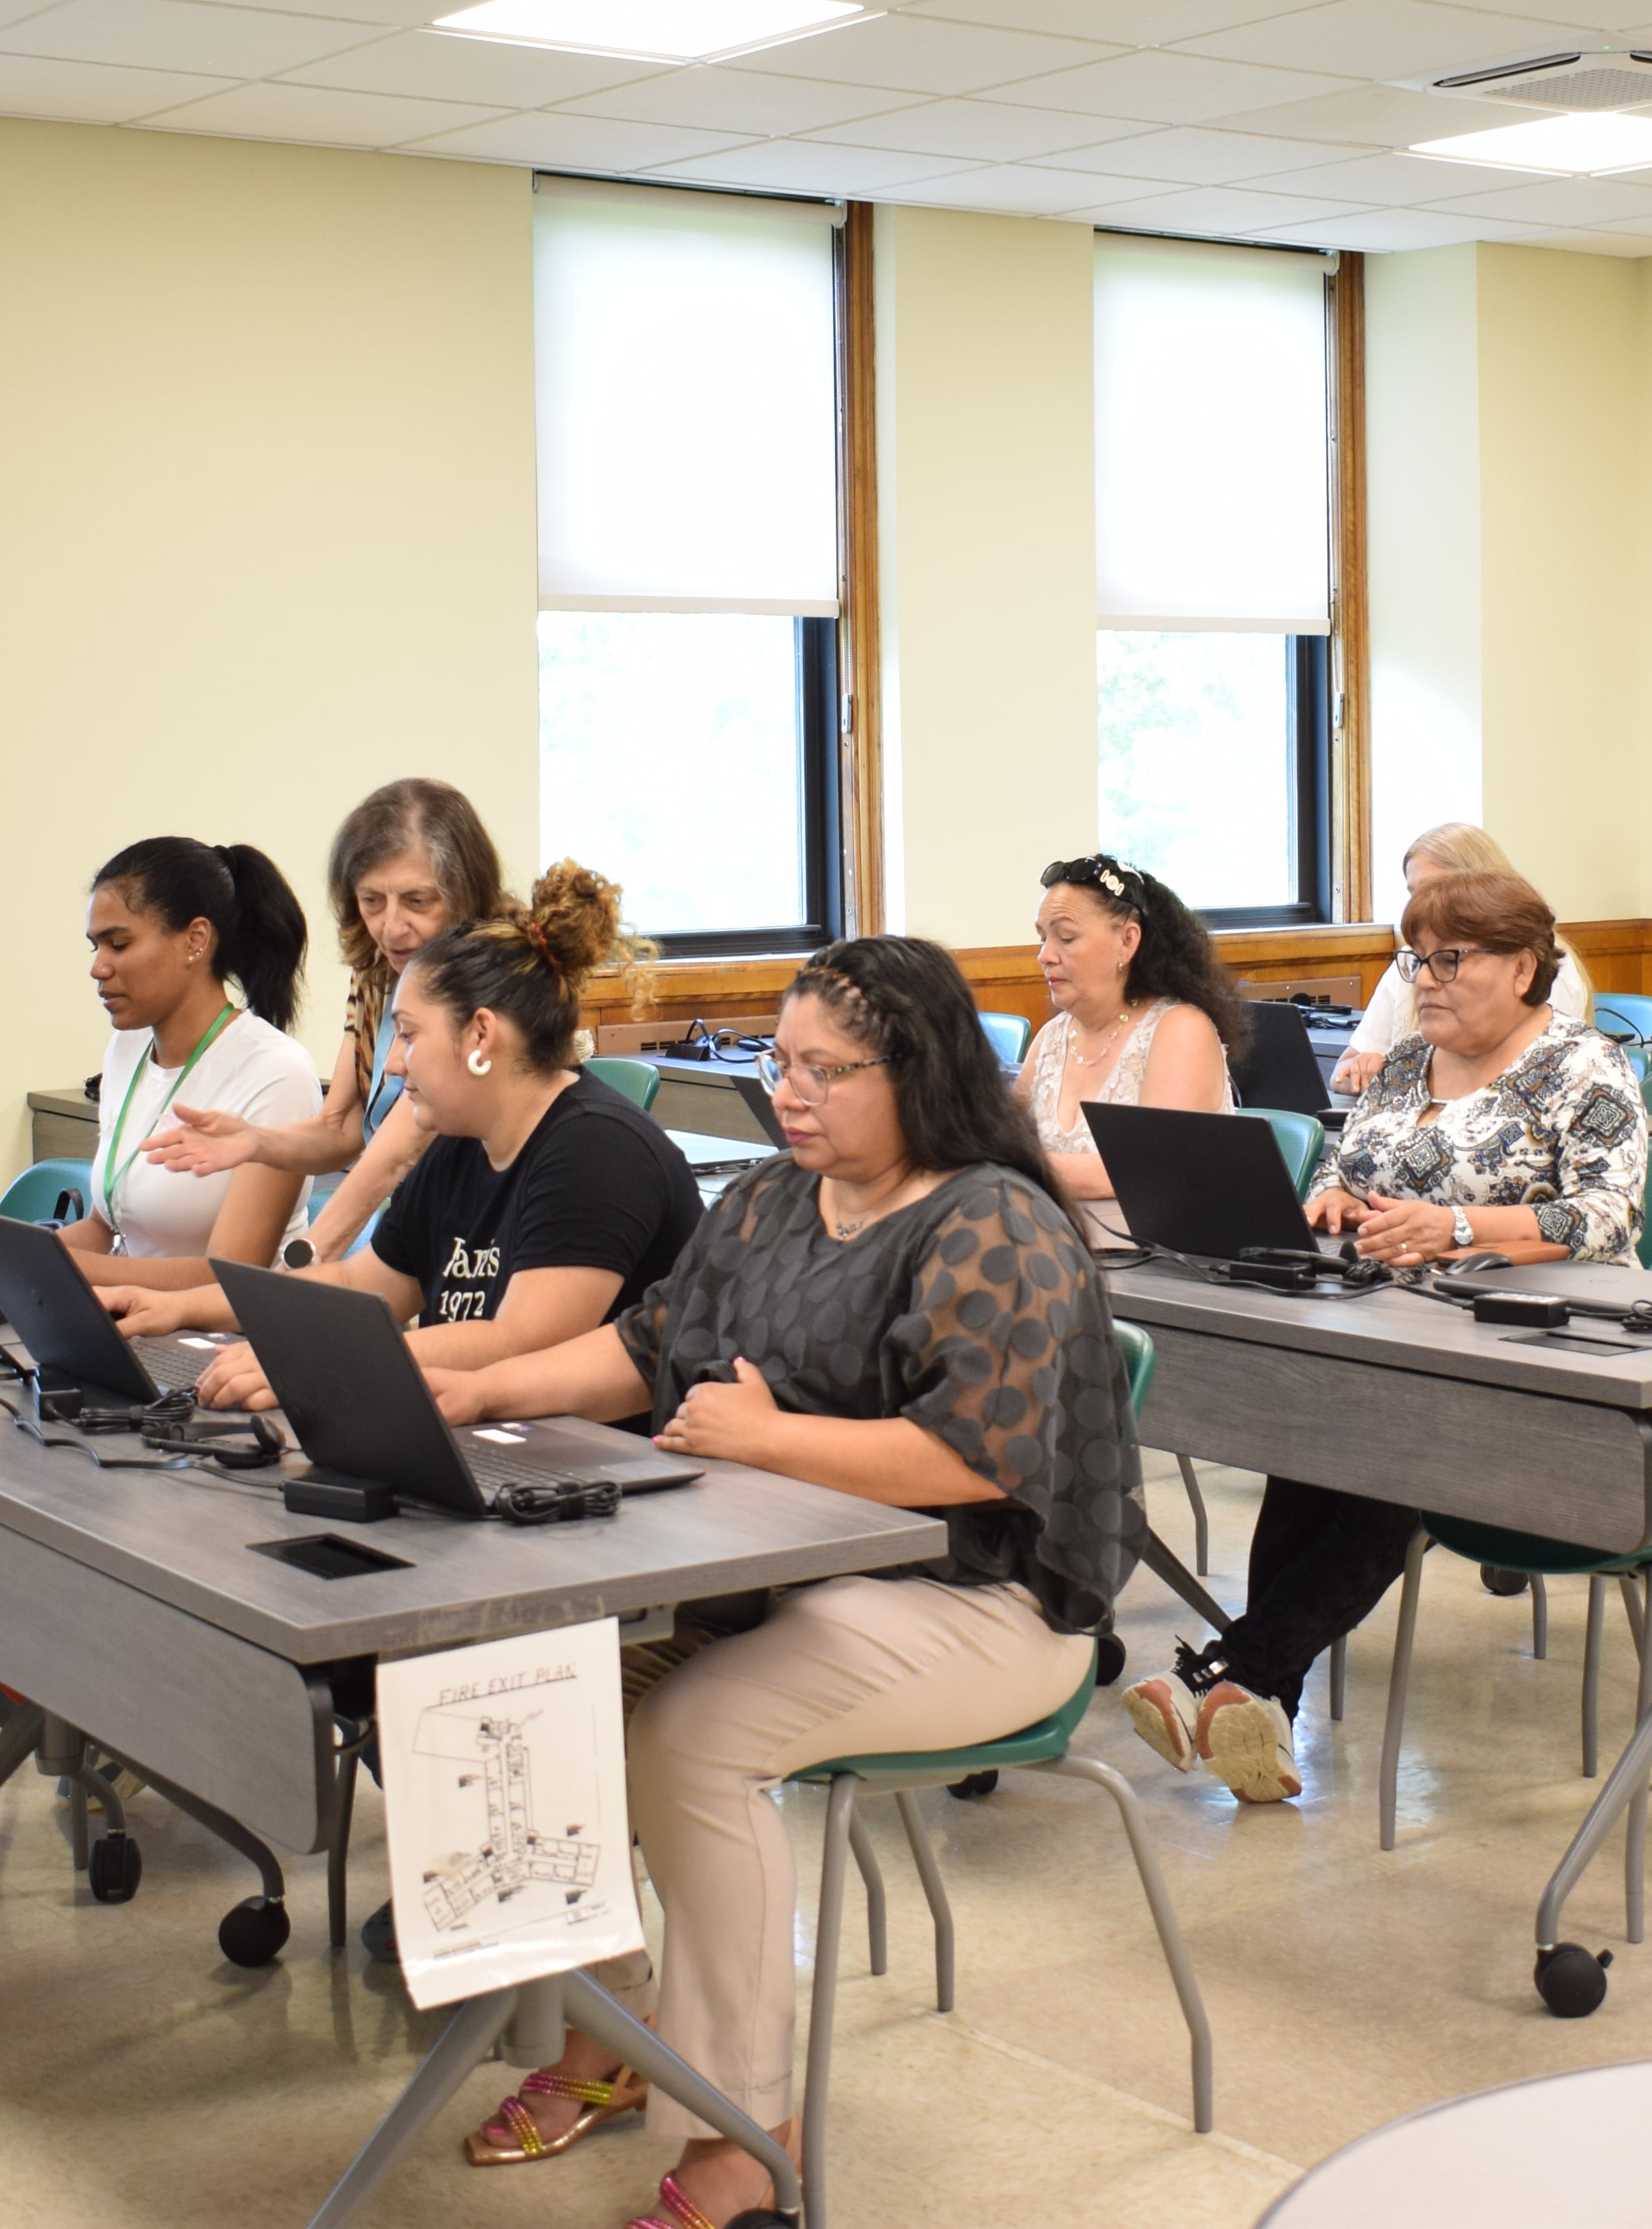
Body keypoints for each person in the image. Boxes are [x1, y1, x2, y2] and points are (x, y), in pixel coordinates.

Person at [418, 936, 1136, 2229]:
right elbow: (642, 1353)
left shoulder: (996, 1222)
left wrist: (763, 1439)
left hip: (984, 1608)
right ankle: (613, 2030)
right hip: (784, 1587)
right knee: (508, 1692)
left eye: (825, 1071)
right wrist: (472, 1387)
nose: (788, 1093)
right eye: (779, 1063)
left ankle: (746, 2142)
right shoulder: (764, 1201)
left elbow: (974, 1461)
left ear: (914, 1075)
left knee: (692, 1740)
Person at [1120, 866, 1644, 1803]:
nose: (1424, 981)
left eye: (1450, 959)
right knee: (1314, 1441)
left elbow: (1608, 1215)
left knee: (1397, 1462)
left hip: (1546, 1359)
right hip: (1399, 1333)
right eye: (1415, 960)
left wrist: (1457, 1229)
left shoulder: (1585, 1065)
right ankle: (1256, 1695)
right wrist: (1330, 1197)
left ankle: (1233, 1675)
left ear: (1524, 966)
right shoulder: (1405, 1064)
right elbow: (1343, 1161)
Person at [119, 861, 692, 1379]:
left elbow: (521, 1343)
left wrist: (301, 1359)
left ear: (481, 1035)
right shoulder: (462, 1142)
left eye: (410, 1035)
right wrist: (179, 1307)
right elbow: (358, 1285)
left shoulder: (597, 1150)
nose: (393, 1062)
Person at [0, 837, 321, 1292]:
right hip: (131, 1324)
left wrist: (29, 1262)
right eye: (96, 947)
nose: (98, 968)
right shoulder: (127, 1050)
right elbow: (103, 1231)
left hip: (224, 1347)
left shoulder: (276, 1072)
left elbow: (228, 1280)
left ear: (195, 940)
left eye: (119, 944)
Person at [138, 778, 505, 1262]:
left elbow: (398, 1152)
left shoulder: (495, 979)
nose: (391, 927)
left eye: (418, 901)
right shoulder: (378, 973)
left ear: (465, 893)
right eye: (371, 901)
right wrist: (256, 1140)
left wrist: (307, 1262)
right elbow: (343, 1128)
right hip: (425, 1235)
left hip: (487, 1240)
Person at [1017, 852, 1246, 1248]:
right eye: (1043, 938)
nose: (1045, 955)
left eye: (1066, 938)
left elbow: (1147, 1171)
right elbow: (1000, 1138)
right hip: (1058, 1246)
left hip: (1159, 1259)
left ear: (1128, 941)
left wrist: (1016, 1165)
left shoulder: (1179, 1029)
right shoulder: (1053, 1037)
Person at [1331, 821, 1592, 1095]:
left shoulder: (1547, 964)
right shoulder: (1411, 962)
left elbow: (1531, 1078)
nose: (1424, 979)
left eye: (1436, 889)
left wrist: (1402, 1081)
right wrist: (1365, 1072)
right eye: (1414, 894)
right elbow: (1347, 1066)